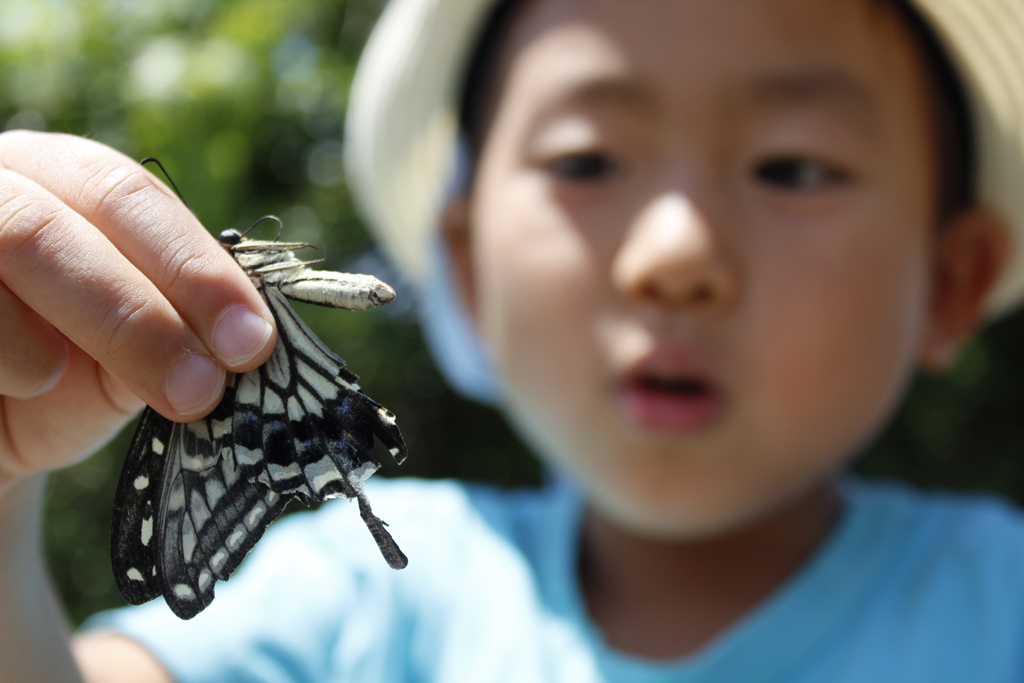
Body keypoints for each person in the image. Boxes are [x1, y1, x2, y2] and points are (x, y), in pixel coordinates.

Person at [3, 0, 1024, 680]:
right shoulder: (367, 592)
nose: (673, 254)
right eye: (586, 160)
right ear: (468, 266)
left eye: (793, 168)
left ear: (948, 280)